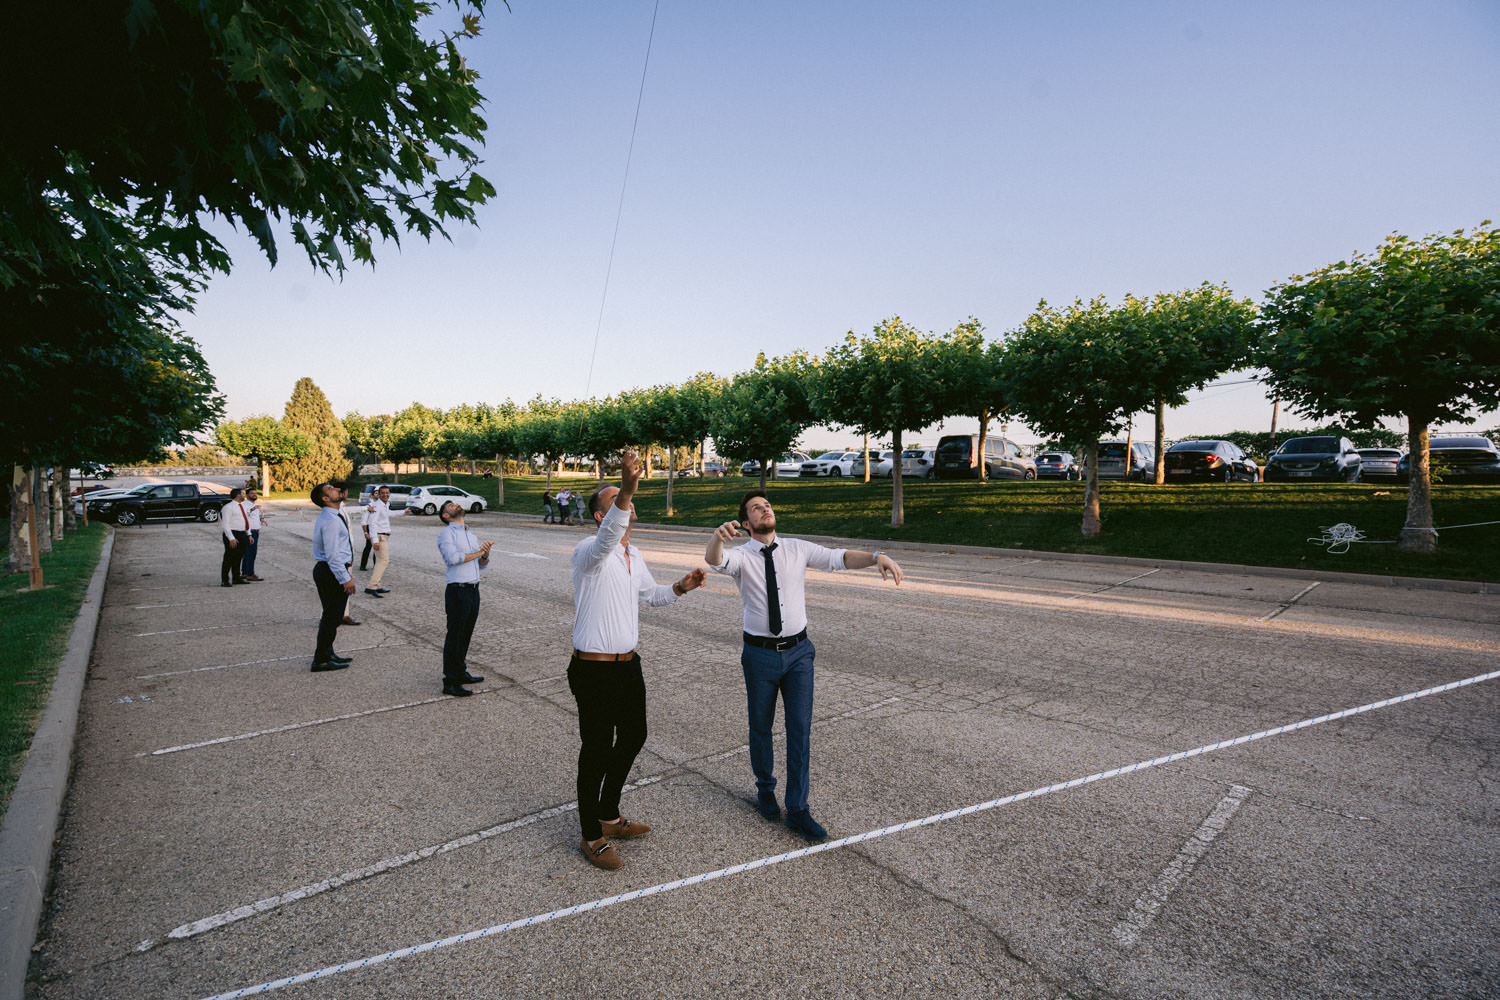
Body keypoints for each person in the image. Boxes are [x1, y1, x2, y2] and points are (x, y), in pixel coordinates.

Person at [704, 490, 903, 841]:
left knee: (799, 729)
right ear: (747, 524)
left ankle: (797, 809)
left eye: (767, 505)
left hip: (798, 654)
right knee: (760, 727)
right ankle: (765, 788)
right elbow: (714, 561)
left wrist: (876, 556)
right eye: (756, 508)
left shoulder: (797, 548)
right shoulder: (740, 556)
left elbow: (838, 557)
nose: (765, 509)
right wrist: (716, 538)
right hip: (760, 655)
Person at [570, 450, 705, 870]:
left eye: (626, 500)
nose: (627, 507)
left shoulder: (635, 556)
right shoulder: (588, 551)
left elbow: (652, 596)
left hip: (628, 665)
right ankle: (591, 834)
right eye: (614, 503)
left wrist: (680, 587)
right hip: (592, 668)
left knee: (633, 737)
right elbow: (611, 534)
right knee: (596, 749)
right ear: (599, 517)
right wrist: (626, 488)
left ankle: (608, 815)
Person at [436, 500, 490, 697]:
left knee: (465, 634)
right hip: (457, 591)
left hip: (473, 590)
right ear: (445, 516)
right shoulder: (446, 534)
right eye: (450, 505)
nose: (456, 505)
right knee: (455, 636)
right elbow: (453, 558)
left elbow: (481, 564)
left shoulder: (470, 534)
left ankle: (460, 671)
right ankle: (450, 681)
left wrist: (485, 555)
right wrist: (478, 553)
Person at [309, 482, 356, 671]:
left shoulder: (333, 516)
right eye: (331, 489)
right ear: (325, 499)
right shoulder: (330, 521)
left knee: (333, 616)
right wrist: (345, 578)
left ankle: (328, 653)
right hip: (330, 571)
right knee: (331, 617)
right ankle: (320, 659)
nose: (337, 489)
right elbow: (332, 555)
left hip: (330, 569)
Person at [334, 485, 361, 626]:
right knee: (336, 591)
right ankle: (336, 617)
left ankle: (344, 614)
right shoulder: (333, 512)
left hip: (346, 555)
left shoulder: (342, 508)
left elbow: (352, 510)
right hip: (340, 558)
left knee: (341, 592)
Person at [219, 488, 256, 587]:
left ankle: (236, 577)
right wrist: (231, 538)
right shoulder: (228, 507)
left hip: (242, 534)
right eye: (243, 494)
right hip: (232, 534)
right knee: (229, 558)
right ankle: (225, 580)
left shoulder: (242, 506)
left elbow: (245, 521)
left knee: (238, 557)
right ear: (238, 495)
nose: (244, 495)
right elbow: (225, 524)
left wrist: (249, 534)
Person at [363, 486, 393, 596]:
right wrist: (374, 540)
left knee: (380, 561)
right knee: (384, 561)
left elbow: (389, 514)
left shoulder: (385, 505)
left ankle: (378, 585)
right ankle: (371, 586)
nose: (386, 495)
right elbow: (372, 523)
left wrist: (404, 511)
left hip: (384, 536)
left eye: (387, 492)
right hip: (379, 537)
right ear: (379, 495)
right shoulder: (376, 506)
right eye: (383, 493)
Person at [241, 487, 267, 581]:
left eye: (255, 493)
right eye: (252, 493)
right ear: (247, 495)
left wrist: (261, 519)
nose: (254, 495)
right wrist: (253, 509)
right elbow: (244, 517)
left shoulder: (253, 504)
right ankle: (250, 574)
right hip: (250, 532)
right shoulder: (245, 505)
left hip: (255, 531)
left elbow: (252, 517)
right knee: (251, 553)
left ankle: (244, 573)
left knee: (247, 553)